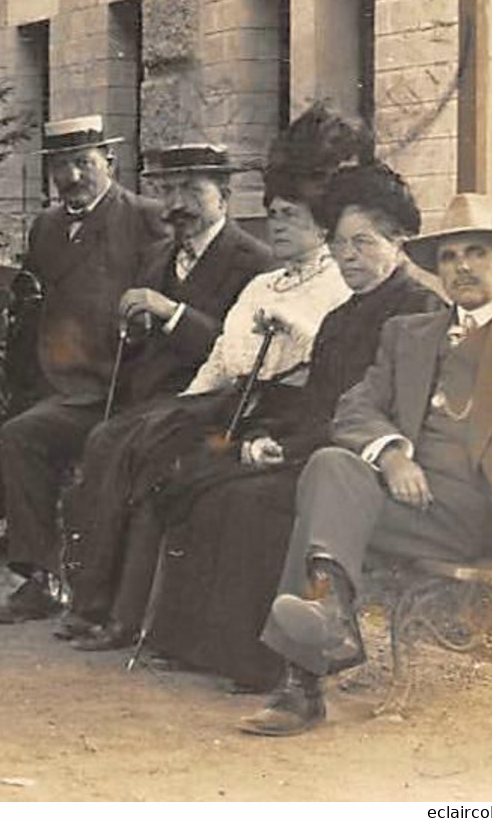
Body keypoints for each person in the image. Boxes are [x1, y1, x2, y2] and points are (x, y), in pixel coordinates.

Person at [240, 193, 492, 737]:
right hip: (417, 504)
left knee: (319, 499)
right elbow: (356, 406)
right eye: (448, 256)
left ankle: (311, 659)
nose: (460, 266)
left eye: (476, 252)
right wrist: (391, 455)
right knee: (329, 467)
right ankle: (322, 637)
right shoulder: (409, 333)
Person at [141, 163, 444, 687]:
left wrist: (301, 449)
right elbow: (318, 407)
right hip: (322, 444)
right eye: (340, 244)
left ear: (398, 240)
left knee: (254, 501)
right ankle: (202, 645)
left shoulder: (420, 308)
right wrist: (272, 441)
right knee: (207, 481)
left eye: (364, 243)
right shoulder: (342, 318)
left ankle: (261, 662)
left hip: (370, 465)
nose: (349, 256)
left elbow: (397, 413)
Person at [55, 157, 354, 647]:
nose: (277, 225)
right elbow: (219, 359)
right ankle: (101, 603)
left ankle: (130, 619)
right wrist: (181, 409)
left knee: (157, 463)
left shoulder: (334, 285)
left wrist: (285, 331)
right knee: (127, 438)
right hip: (221, 403)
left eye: (291, 217)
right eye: (274, 214)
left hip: (274, 415)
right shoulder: (264, 284)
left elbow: (315, 362)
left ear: (323, 227)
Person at [0, 115, 170, 622]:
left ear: (110, 162)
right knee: (12, 432)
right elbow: (36, 309)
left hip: (127, 391)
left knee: (39, 438)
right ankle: (36, 578)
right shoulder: (48, 227)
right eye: (61, 166)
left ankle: (89, 586)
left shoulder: (147, 219)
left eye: (83, 163)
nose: (73, 176)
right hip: (62, 388)